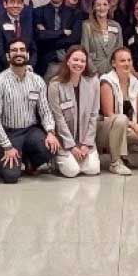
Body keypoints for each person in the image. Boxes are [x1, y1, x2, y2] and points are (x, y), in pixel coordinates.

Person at [0, 39, 60, 184]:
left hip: (30, 131)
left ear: (27, 54)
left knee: (52, 148)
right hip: (9, 133)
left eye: (22, 50)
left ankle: (28, 160)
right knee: (11, 177)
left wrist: (51, 132)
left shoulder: (37, 80)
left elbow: (45, 111)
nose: (18, 53)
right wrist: (7, 146)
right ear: (8, 56)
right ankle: (0, 160)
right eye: (14, 50)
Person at [98, 46, 138, 175]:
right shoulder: (106, 81)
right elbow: (109, 114)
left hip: (127, 129)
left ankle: (125, 158)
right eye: (122, 61)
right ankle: (115, 162)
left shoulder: (136, 84)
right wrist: (135, 126)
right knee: (121, 119)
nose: (127, 63)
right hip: (105, 129)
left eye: (129, 60)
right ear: (113, 63)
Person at [47, 46, 100, 178]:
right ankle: (58, 160)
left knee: (92, 169)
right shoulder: (55, 84)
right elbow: (58, 119)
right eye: (75, 60)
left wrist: (87, 144)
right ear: (68, 61)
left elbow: (94, 115)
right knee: (72, 171)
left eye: (82, 61)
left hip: (84, 139)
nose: (79, 64)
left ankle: (80, 156)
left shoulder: (93, 82)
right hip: (65, 140)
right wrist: (72, 147)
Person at [33, 0, 82, 78]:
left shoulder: (75, 14)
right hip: (46, 66)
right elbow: (39, 37)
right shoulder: (38, 12)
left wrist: (48, 35)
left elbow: (74, 39)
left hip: (69, 65)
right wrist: (63, 33)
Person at [0, 0, 36, 71]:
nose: (15, 5)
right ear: (5, 4)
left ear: (23, 5)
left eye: (19, 2)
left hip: (27, 70)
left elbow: (33, 49)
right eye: (12, 2)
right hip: (4, 70)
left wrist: (29, 65)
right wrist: (16, 67)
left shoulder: (27, 23)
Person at [80, 0, 123, 77]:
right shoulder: (87, 25)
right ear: (94, 8)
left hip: (113, 72)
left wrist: (115, 70)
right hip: (94, 73)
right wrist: (94, 72)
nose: (102, 8)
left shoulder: (116, 25)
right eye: (98, 5)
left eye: (105, 4)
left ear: (109, 7)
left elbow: (120, 50)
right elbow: (85, 51)